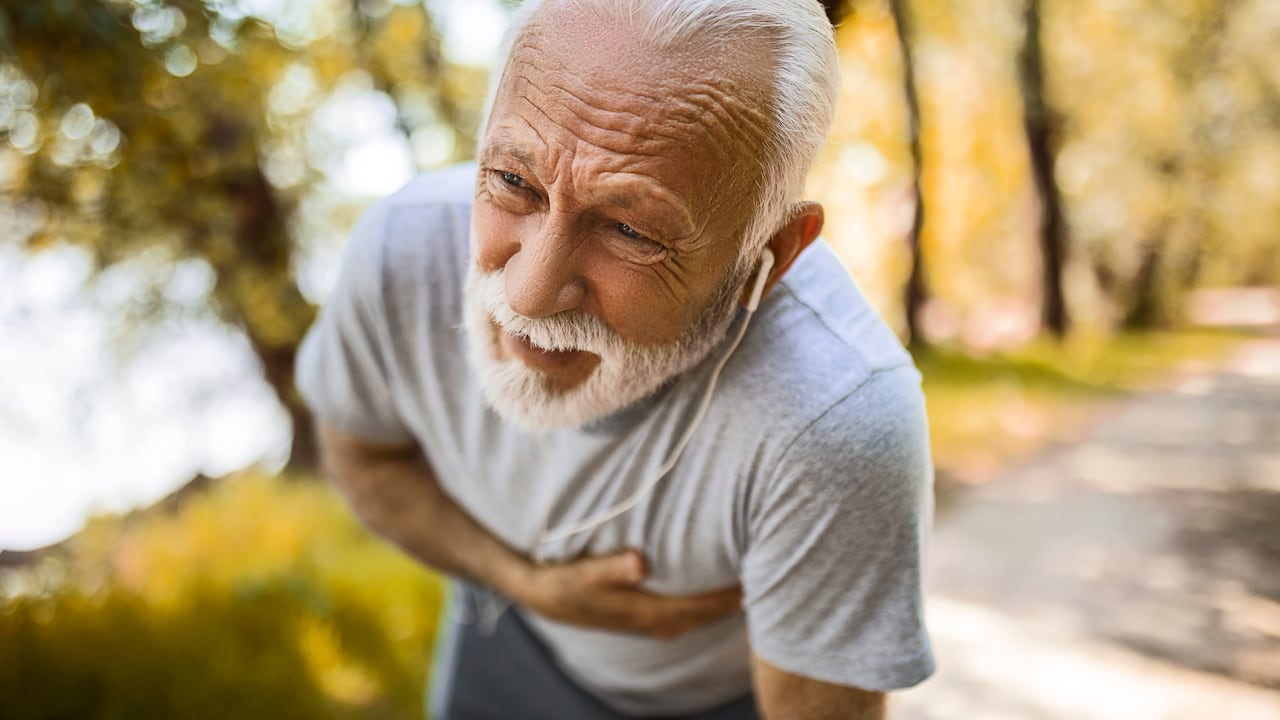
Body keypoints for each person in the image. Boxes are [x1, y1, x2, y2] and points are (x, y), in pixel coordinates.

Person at [295, 0, 936, 717]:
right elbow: (364, 457)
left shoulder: (834, 417)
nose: (530, 294)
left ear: (773, 253)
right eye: (513, 181)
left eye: (631, 229)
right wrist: (520, 580)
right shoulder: (397, 252)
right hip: (506, 640)